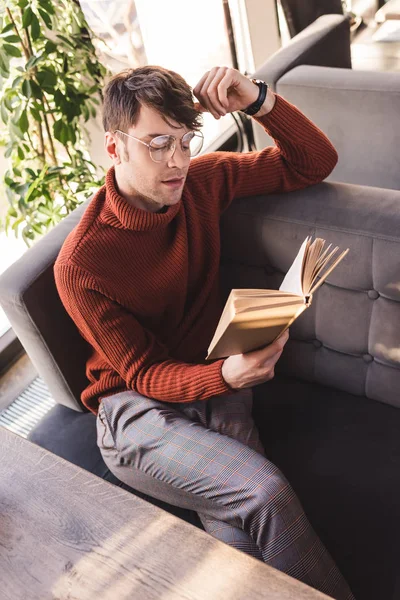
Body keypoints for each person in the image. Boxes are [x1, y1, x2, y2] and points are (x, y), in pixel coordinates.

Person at [54, 65, 355, 599]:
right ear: (114, 148)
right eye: (158, 143)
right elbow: (144, 373)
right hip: (135, 412)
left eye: (186, 140)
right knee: (265, 493)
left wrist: (258, 100)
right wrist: (229, 376)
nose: (177, 160)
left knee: (238, 538)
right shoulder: (82, 265)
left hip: (214, 376)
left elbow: (315, 162)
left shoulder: (202, 181)